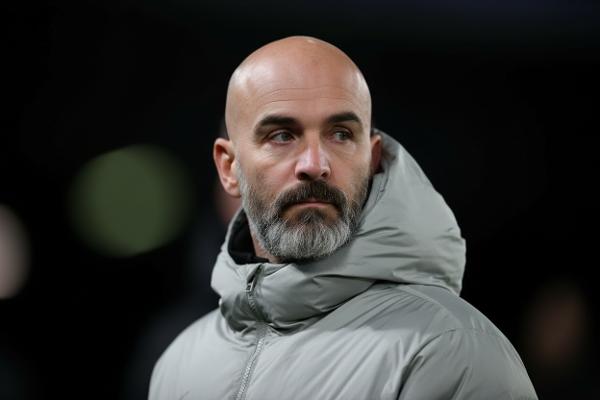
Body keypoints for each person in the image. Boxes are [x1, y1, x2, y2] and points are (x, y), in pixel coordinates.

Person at [149, 36, 537, 400]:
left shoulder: (451, 351)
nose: (314, 164)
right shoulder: (179, 363)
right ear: (229, 168)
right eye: (282, 135)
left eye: (340, 134)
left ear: (371, 159)